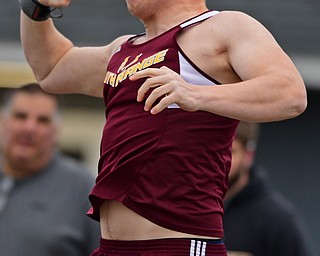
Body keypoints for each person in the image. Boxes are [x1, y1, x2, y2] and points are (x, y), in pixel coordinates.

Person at [19, 0, 308, 255]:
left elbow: (290, 94)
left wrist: (196, 94)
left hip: (178, 244)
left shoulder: (222, 27)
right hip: (112, 248)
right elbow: (52, 68)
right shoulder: (123, 50)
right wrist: (36, 8)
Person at [0, 83, 100, 256]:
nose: (29, 128)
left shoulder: (83, 189)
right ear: (3, 122)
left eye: (43, 120)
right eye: (21, 116)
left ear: (56, 131)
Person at [224, 122, 314, 256]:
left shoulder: (278, 221)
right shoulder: (191, 208)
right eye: (212, 152)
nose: (220, 160)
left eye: (230, 152)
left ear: (248, 155)